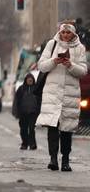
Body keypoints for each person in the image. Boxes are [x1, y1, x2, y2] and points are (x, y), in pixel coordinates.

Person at [36, 21, 88, 172]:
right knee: (53, 127)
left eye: (68, 32)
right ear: (59, 33)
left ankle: (65, 159)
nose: (65, 35)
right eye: (63, 32)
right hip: (52, 93)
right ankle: (53, 158)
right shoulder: (52, 44)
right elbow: (41, 65)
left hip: (69, 95)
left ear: (73, 34)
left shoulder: (80, 48)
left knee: (66, 129)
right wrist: (54, 61)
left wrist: (70, 65)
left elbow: (83, 71)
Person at [12, 73, 41, 150]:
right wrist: (16, 112)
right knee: (23, 129)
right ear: (26, 80)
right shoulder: (21, 89)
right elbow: (16, 101)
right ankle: (24, 143)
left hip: (33, 113)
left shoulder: (36, 89)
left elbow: (40, 101)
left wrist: (39, 112)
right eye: (28, 79)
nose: (30, 80)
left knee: (31, 129)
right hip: (23, 113)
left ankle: (32, 144)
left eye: (31, 79)